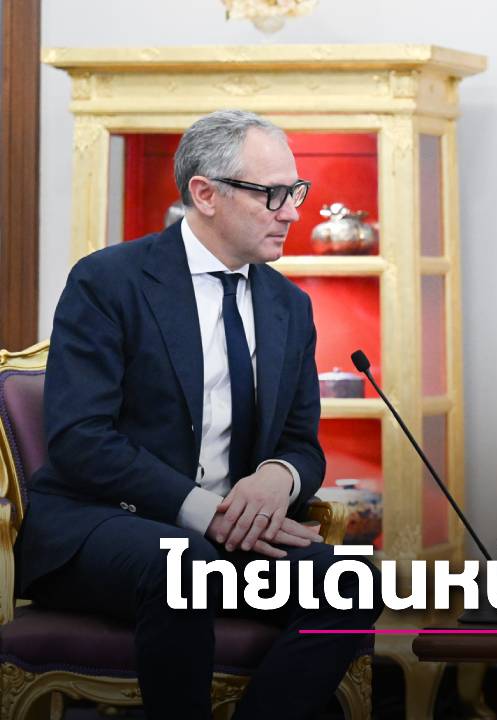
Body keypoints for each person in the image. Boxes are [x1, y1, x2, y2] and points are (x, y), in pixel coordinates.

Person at [15, 109, 384, 719]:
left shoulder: (288, 305)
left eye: (295, 192)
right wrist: (207, 513)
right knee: (185, 564)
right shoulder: (109, 281)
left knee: (355, 581)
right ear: (205, 194)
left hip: (228, 538)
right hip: (103, 526)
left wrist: (278, 478)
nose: (291, 212)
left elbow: (301, 443)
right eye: (271, 194)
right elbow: (81, 440)